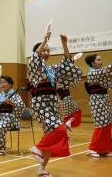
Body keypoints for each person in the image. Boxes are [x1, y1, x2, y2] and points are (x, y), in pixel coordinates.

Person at [27, 24, 81, 177]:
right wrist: (44, 40)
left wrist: (64, 44)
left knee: (50, 138)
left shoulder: (52, 69)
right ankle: (37, 149)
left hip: (52, 103)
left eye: (48, 50)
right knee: (60, 129)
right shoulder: (34, 65)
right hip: (40, 103)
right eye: (44, 50)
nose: (46, 52)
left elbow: (67, 65)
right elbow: (35, 59)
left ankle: (42, 169)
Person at [0, 75, 25, 156]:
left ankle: (2, 148)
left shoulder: (15, 95)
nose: (2, 84)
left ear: (10, 84)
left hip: (11, 119)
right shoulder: (0, 95)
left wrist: (12, 103)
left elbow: (22, 107)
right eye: (1, 82)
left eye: (4, 82)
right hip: (0, 118)